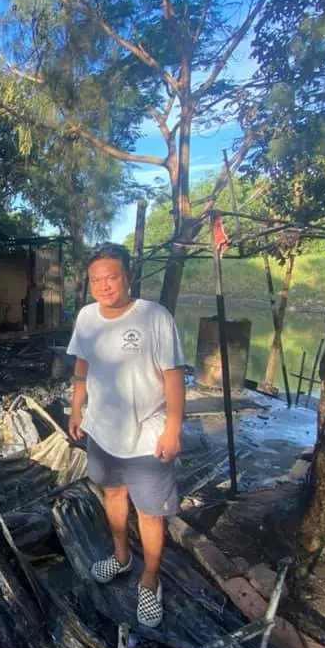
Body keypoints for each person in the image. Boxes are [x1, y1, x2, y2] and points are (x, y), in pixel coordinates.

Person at [66, 243, 185, 628]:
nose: (104, 285)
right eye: (96, 280)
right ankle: (121, 558)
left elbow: (173, 376)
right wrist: (76, 407)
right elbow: (82, 365)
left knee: (150, 512)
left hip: (147, 434)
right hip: (102, 430)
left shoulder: (154, 316)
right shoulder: (87, 317)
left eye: (111, 277)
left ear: (127, 277)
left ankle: (150, 580)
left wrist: (173, 428)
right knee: (113, 494)